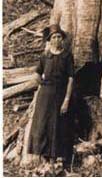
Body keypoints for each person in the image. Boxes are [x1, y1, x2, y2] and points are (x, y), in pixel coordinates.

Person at [28, 24, 74, 171]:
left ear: (62, 39)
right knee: (42, 123)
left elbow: (71, 79)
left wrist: (66, 100)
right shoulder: (45, 56)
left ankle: (57, 159)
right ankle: (43, 158)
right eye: (54, 37)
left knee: (58, 125)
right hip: (45, 95)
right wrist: (41, 81)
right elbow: (36, 74)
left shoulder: (67, 56)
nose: (56, 39)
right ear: (49, 40)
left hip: (60, 94)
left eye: (59, 37)